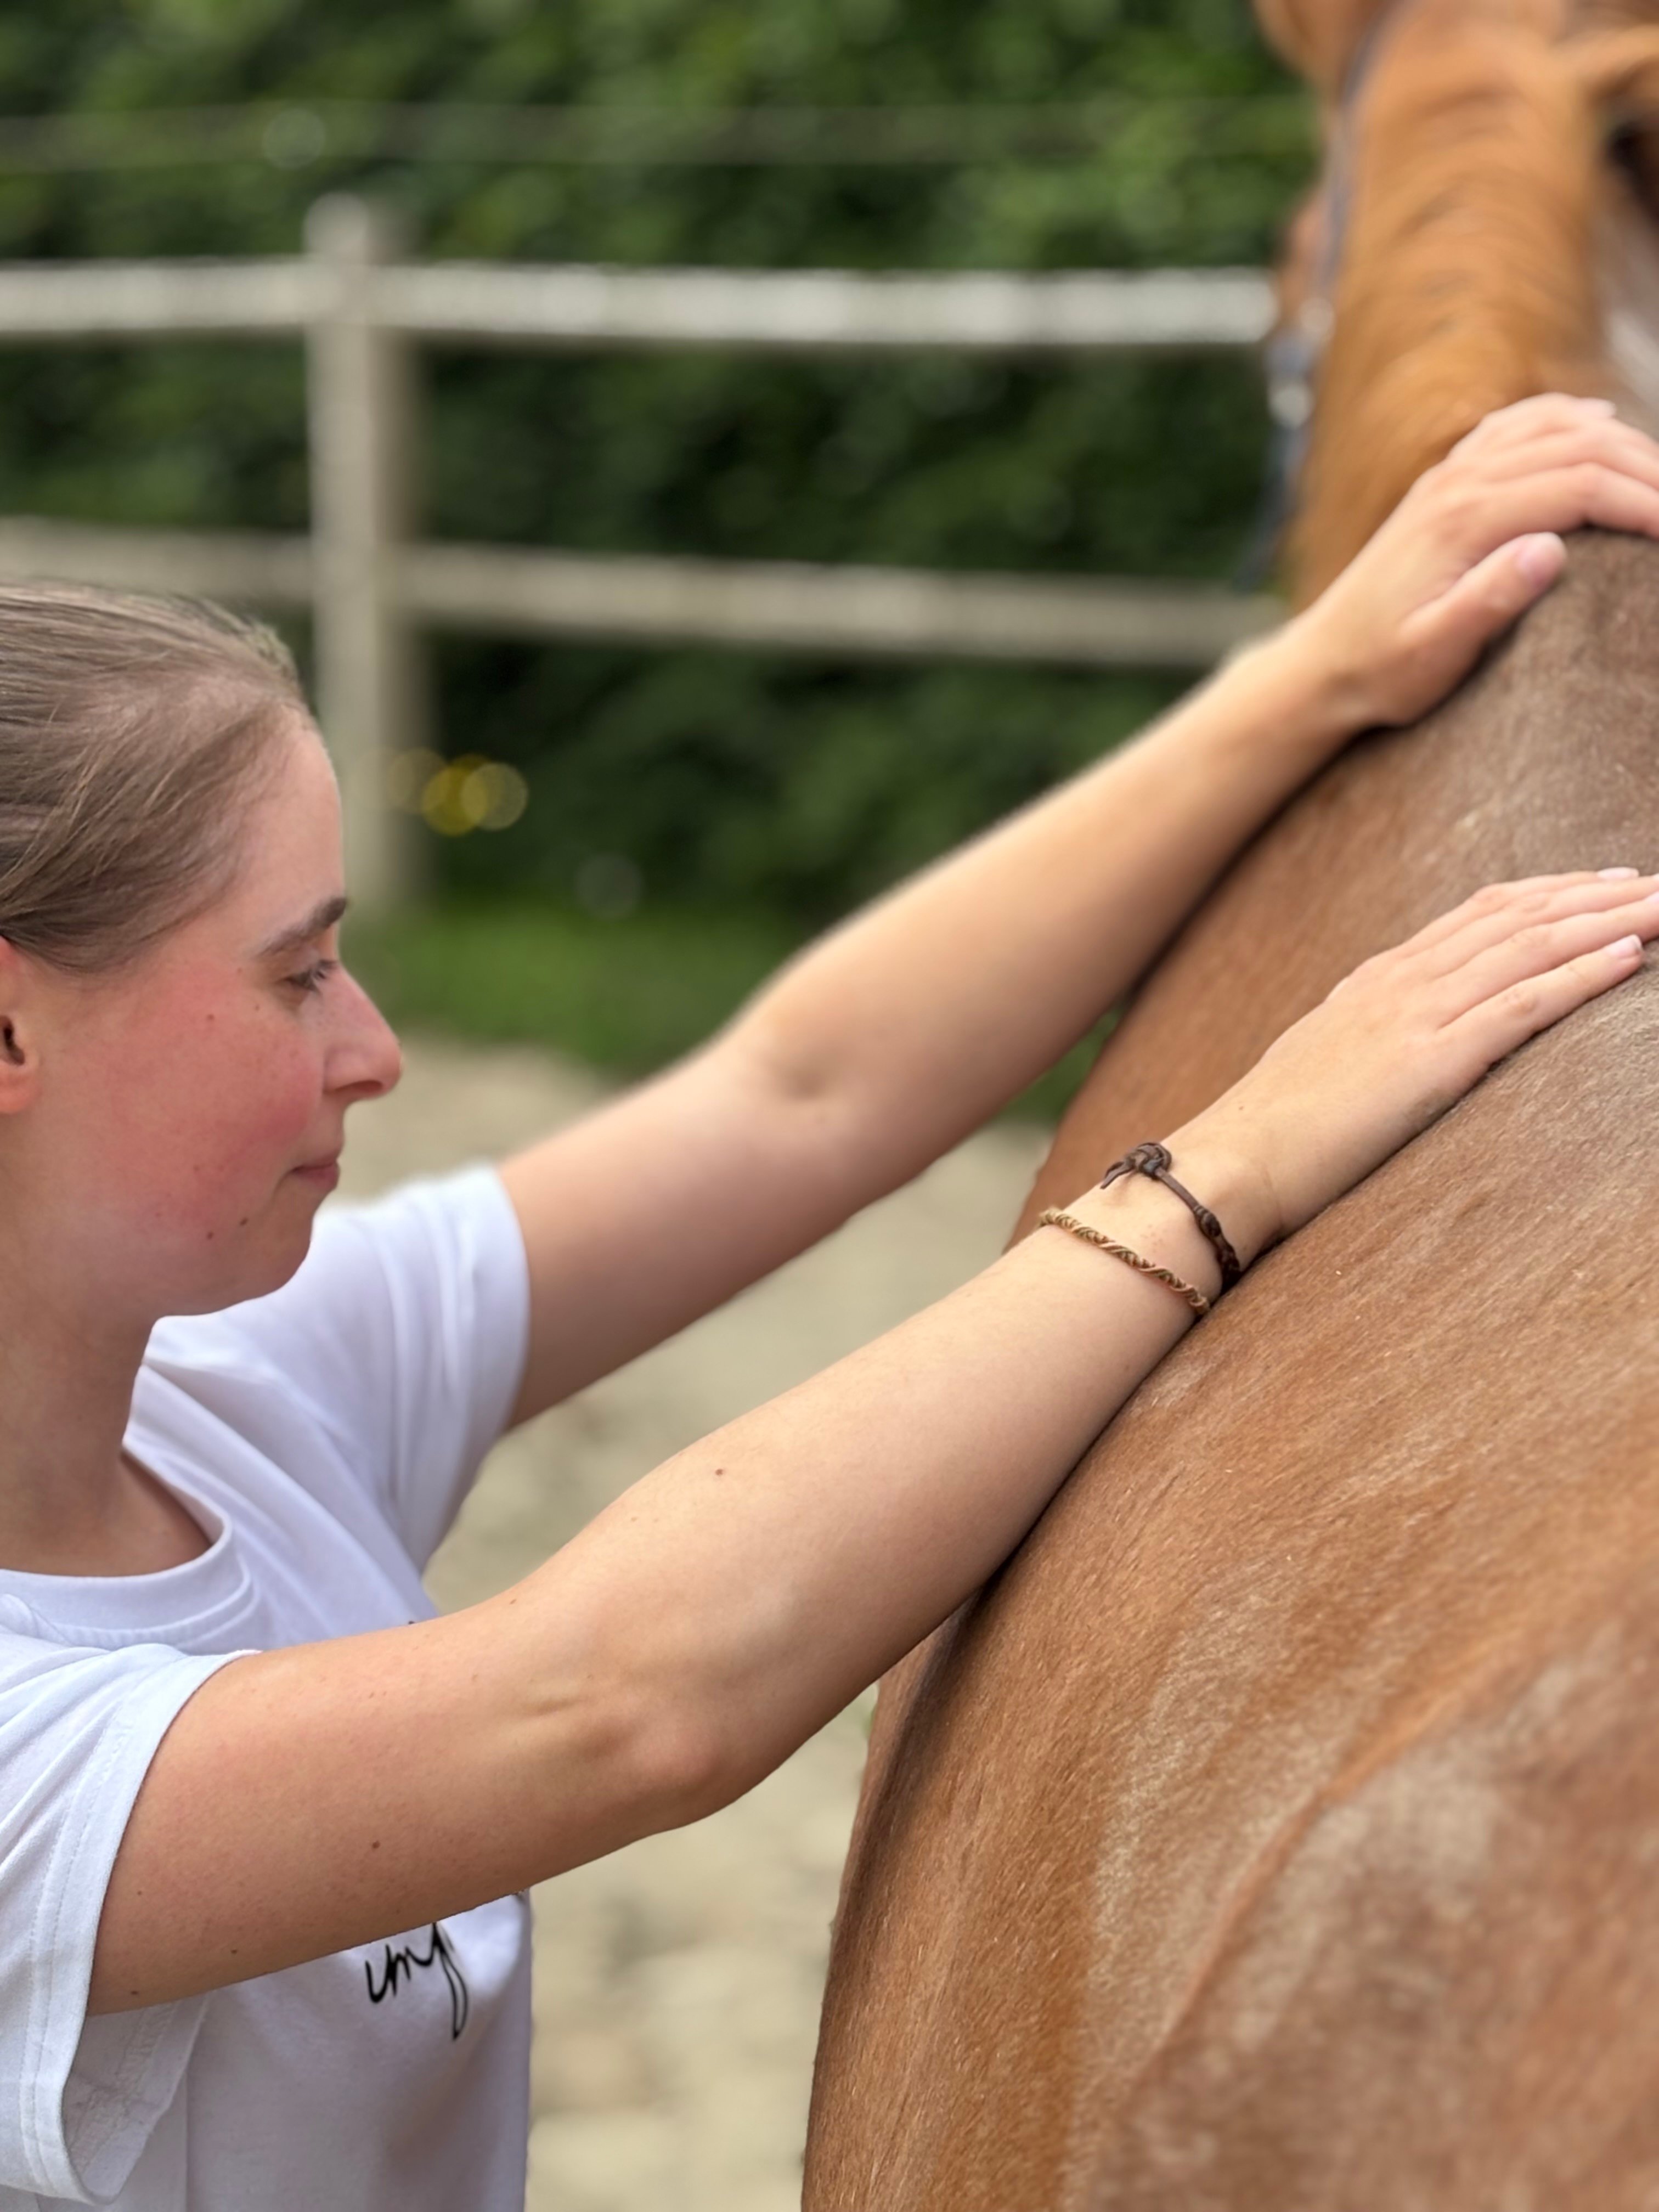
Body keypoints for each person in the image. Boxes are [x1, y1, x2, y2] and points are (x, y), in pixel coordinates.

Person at [2, 393, 1658, 2211]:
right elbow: (623, 1699)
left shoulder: (225, 1387)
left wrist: (1321, 675)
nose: (376, 1048)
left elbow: (798, 1094)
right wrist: (1230, 1169)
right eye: (300, 970)